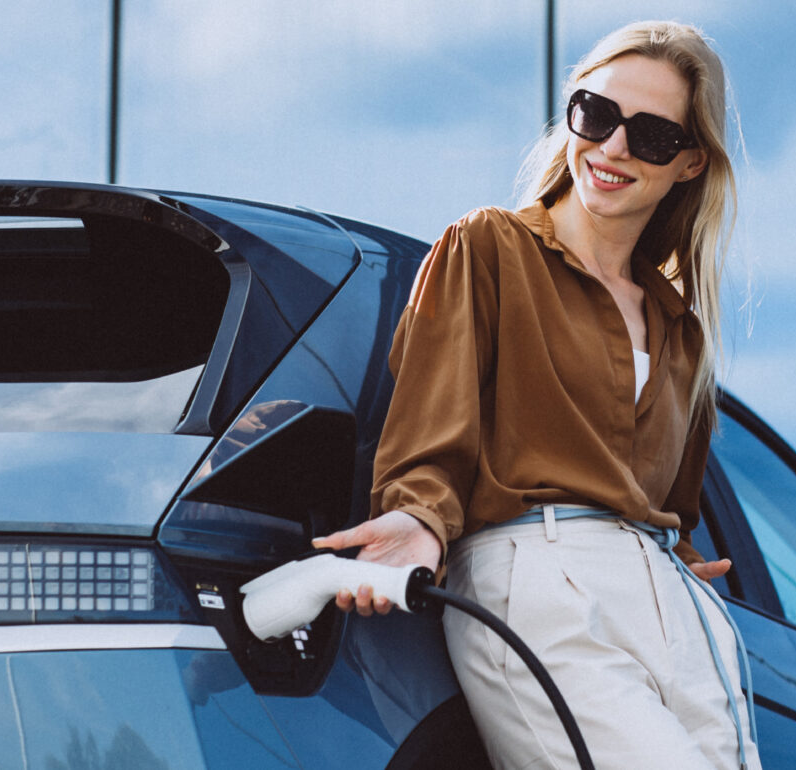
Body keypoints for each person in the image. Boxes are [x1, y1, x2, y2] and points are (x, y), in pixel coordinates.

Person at [311, 20, 759, 770]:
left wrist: (672, 551)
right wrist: (419, 521)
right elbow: (431, 425)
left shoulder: (679, 323)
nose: (613, 147)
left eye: (650, 136)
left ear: (687, 163)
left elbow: (672, 501)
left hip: (674, 606)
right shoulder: (489, 248)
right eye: (596, 114)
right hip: (542, 575)